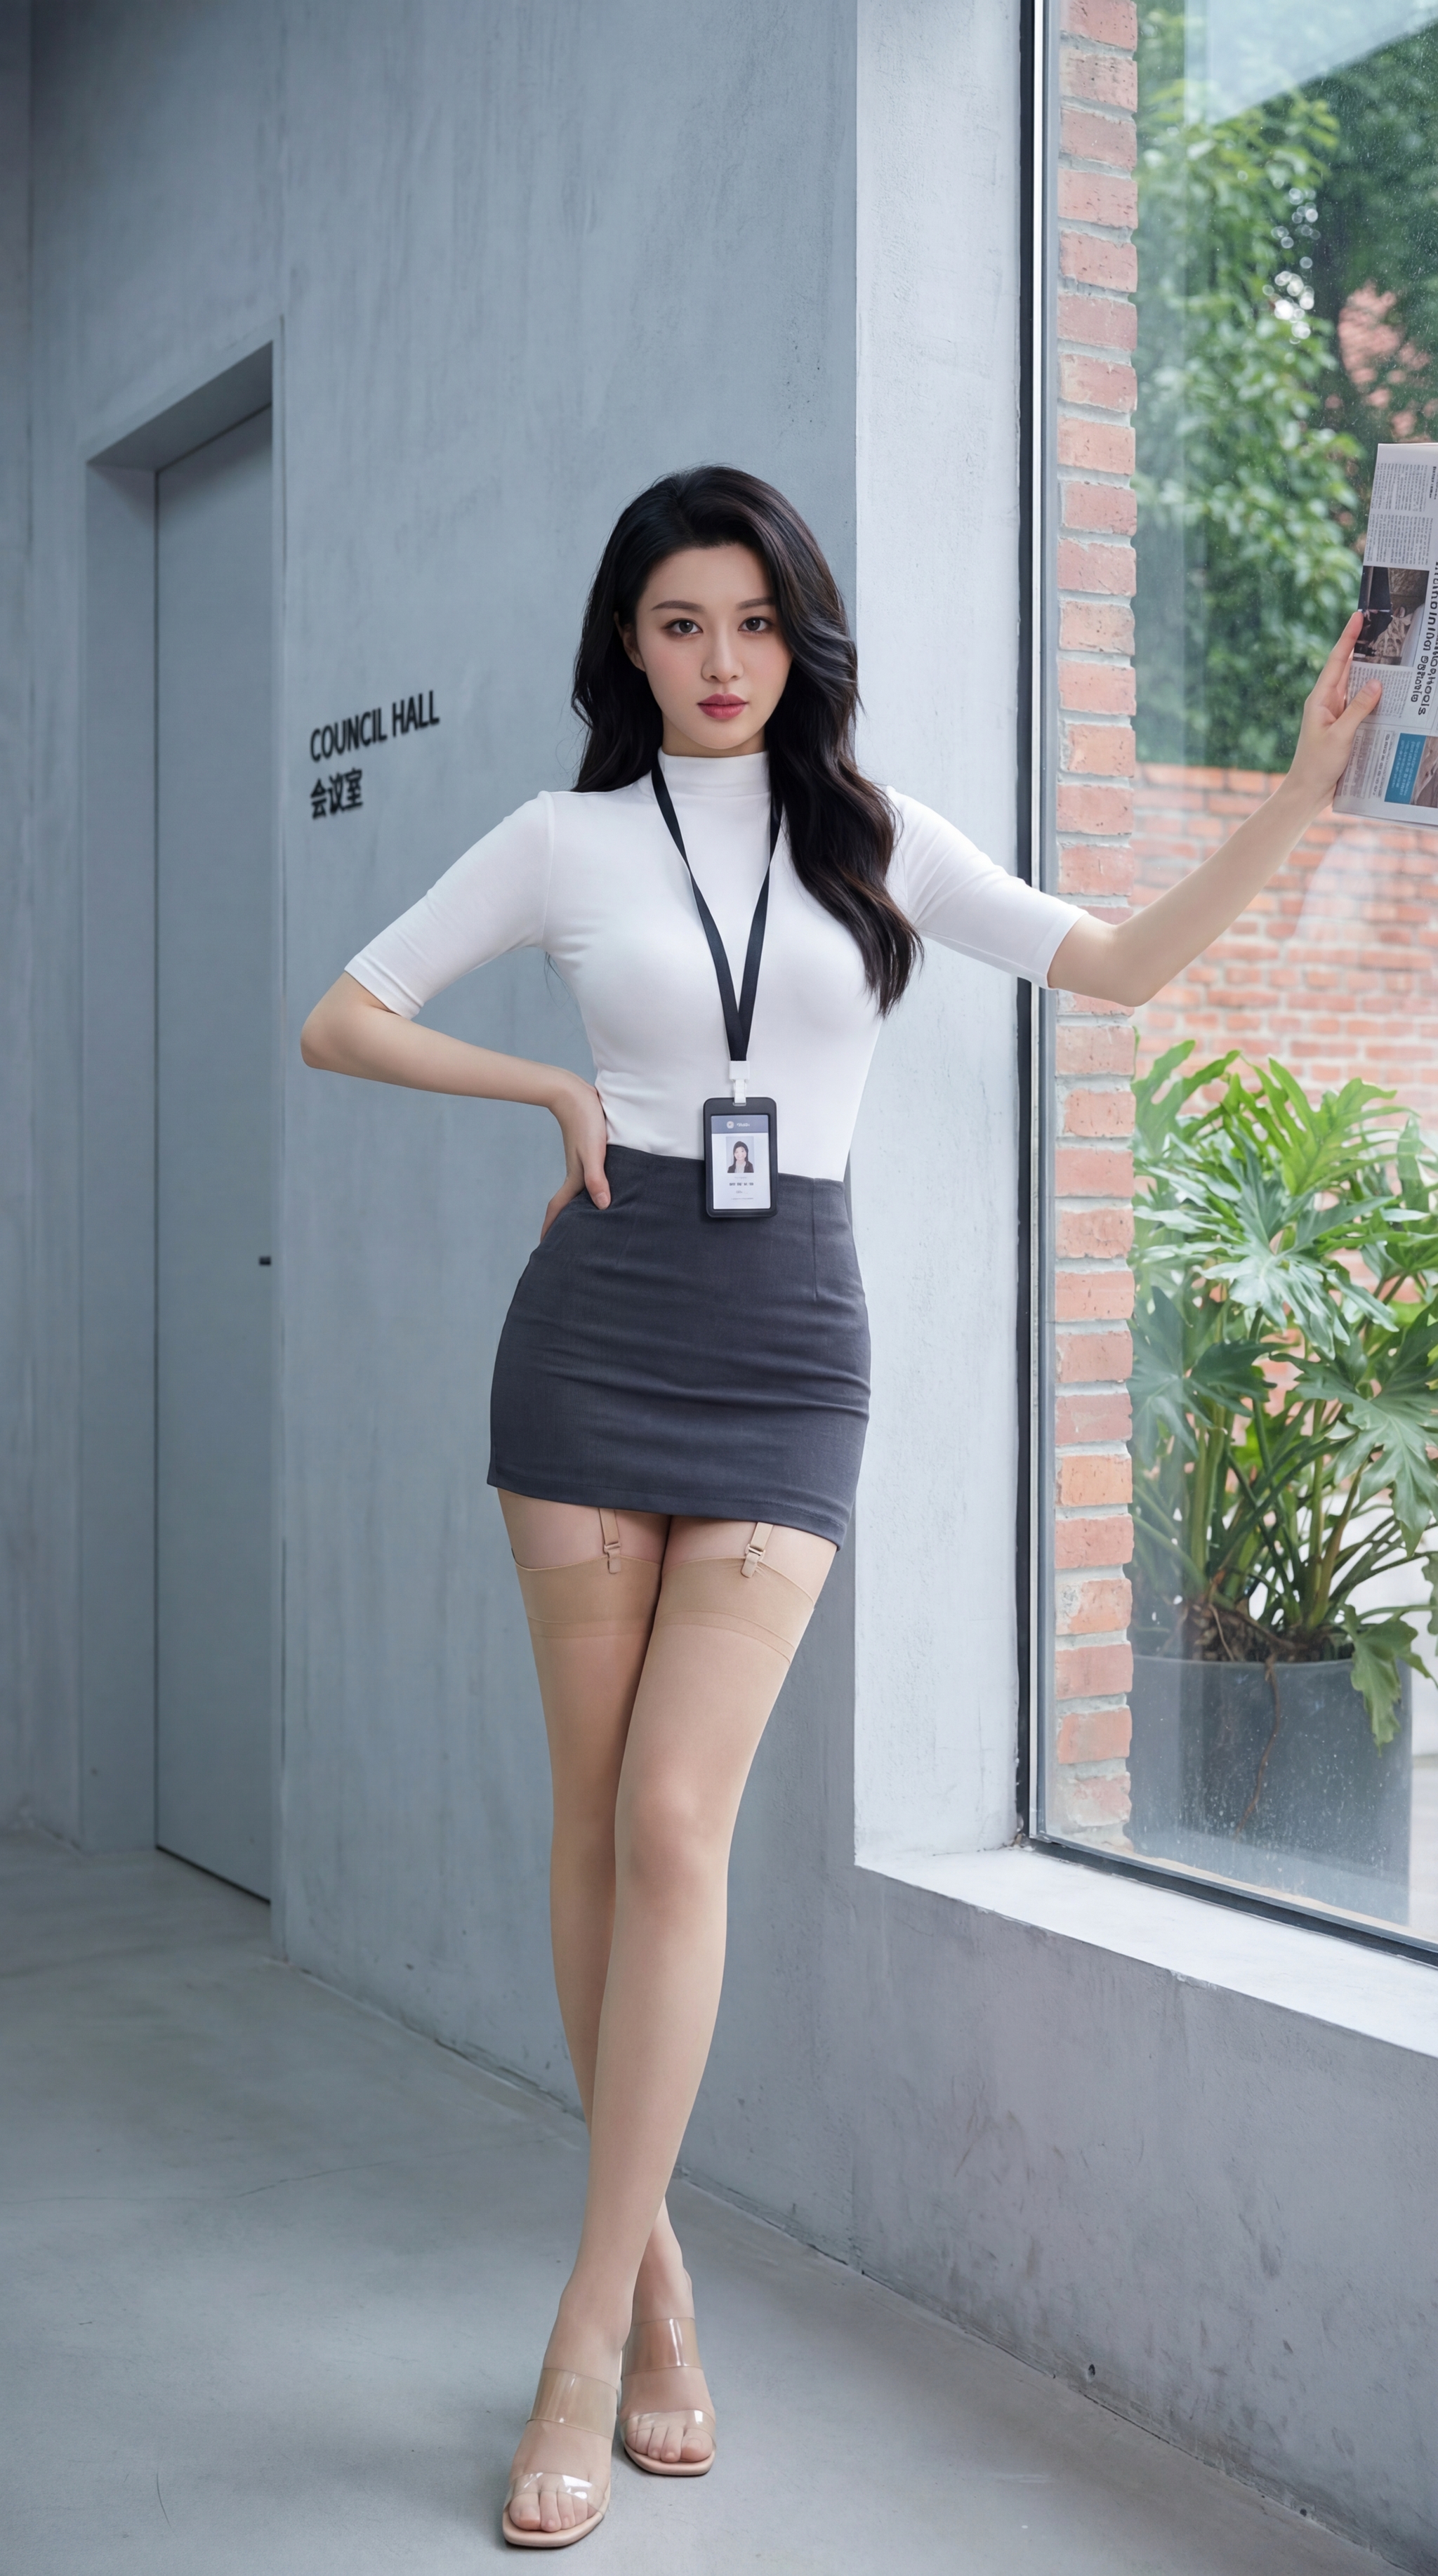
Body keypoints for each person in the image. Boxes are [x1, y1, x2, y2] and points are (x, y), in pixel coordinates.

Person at [300, 465, 1379, 2548]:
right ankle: (660, 2289)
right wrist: (544, 1090)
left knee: (681, 1821)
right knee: (599, 1822)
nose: (722, 662)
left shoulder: (871, 835)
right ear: (629, 638)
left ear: (805, 639)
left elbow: (1126, 966)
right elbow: (345, 1017)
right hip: (592, 1341)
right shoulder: (564, 839)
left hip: (791, 1345)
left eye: (757, 623)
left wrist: (1312, 777)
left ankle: (579, 2331)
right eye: (683, 623)